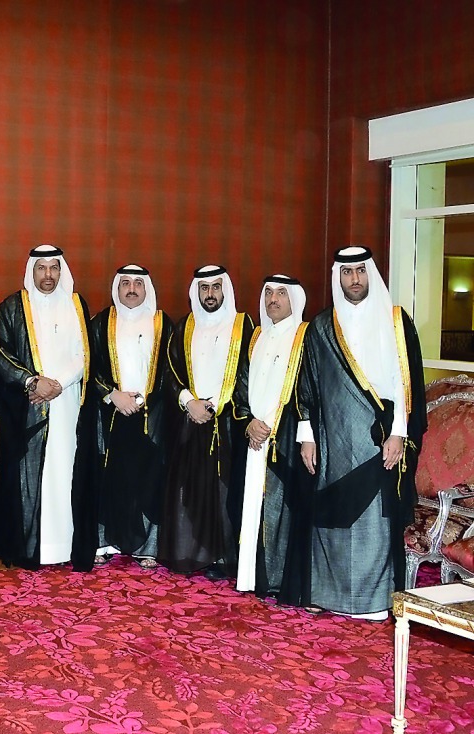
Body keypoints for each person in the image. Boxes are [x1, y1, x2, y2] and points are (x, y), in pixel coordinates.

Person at [296, 246, 426, 619]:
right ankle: (331, 596)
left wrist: (399, 434)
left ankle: (371, 603)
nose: (354, 280)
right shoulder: (321, 327)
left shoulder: (396, 321)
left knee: (375, 521)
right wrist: (307, 435)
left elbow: (407, 386)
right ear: (338, 276)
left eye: (360, 271)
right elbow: (306, 386)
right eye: (347, 272)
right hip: (332, 437)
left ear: (371, 274)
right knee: (333, 514)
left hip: (379, 437)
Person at [0, 245, 97, 570]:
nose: (48, 275)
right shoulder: (12, 308)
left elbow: (85, 353)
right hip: (28, 408)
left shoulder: (76, 305)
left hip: (67, 408)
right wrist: (32, 382)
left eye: (54, 268)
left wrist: (58, 383)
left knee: (65, 473)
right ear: (31, 271)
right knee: (30, 473)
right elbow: (0, 353)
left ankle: (63, 547)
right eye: (42, 268)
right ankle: (29, 549)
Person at [160, 265, 253, 578]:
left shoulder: (243, 324)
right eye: (204, 288)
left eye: (215, 287)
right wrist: (190, 402)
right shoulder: (186, 326)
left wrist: (222, 405)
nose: (210, 294)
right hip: (192, 420)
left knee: (227, 490)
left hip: (229, 424)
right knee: (192, 487)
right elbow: (169, 371)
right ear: (196, 292)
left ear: (225, 289)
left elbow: (248, 372)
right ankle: (194, 552)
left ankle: (226, 558)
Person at [88, 264, 172, 569]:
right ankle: (104, 542)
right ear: (117, 288)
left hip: (152, 416)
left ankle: (148, 545)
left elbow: (172, 372)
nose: (132, 289)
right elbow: (90, 367)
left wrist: (146, 399)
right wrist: (113, 395)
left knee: (150, 478)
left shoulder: (163, 325)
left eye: (138, 283)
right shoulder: (101, 324)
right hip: (111, 413)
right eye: (125, 283)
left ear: (146, 288)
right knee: (109, 477)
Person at [232, 275, 308, 599]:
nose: (273, 299)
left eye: (281, 293)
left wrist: (301, 432)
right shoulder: (257, 337)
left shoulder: (304, 337)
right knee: (253, 507)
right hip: (254, 439)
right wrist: (248, 422)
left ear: (294, 298)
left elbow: (309, 390)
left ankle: (278, 583)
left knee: (283, 509)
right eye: (268, 293)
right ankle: (253, 578)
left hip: (287, 438)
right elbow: (240, 387)